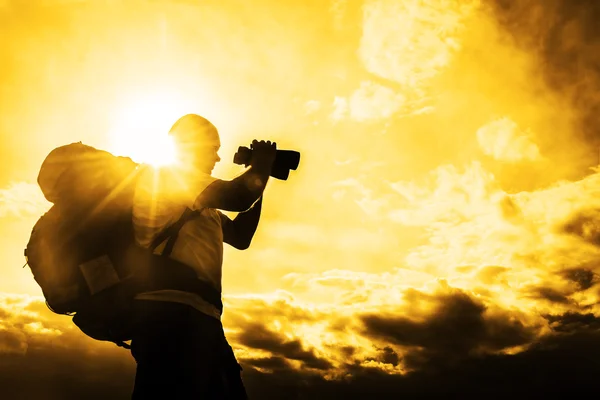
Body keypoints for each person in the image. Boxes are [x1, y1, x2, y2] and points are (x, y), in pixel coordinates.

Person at [129, 114, 276, 399]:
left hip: (199, 314)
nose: (218, 157)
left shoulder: (200, 203)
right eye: (213, 148)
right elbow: (237, 197)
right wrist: (260, 165)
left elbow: (241, 237)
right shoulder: (173, 180)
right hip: (169, 313)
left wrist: (263, 174)